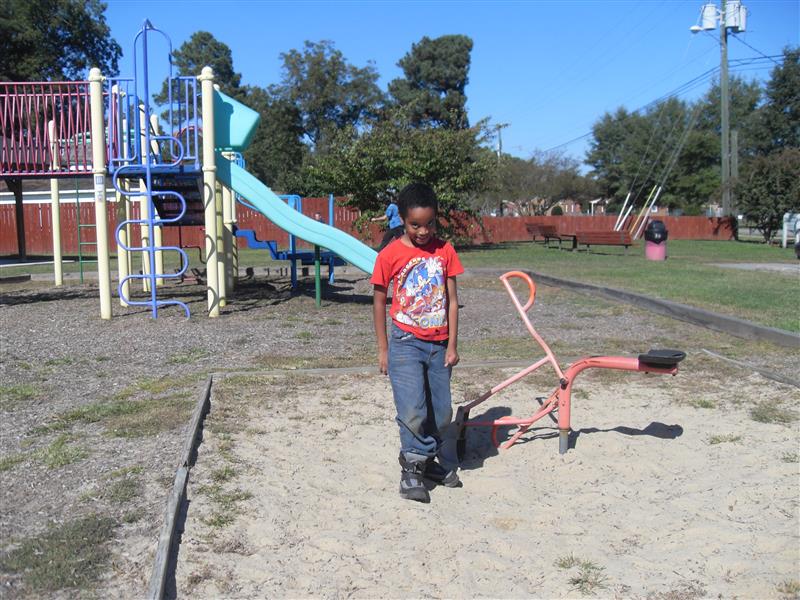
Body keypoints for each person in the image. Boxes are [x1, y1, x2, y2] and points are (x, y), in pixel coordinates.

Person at [370, 182, 464, 503]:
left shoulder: (445, 251)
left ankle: (427, 461)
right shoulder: (390, 254)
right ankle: (411, 468)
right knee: (412, 407)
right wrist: (384, 349)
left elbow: (453, 301)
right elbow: (378, 301)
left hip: (439, 345)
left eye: (429, 224)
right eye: (415, 225)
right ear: (402, 220)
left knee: (441, 411)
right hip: (405, 342)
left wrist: (452, 344)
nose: (423, 231)